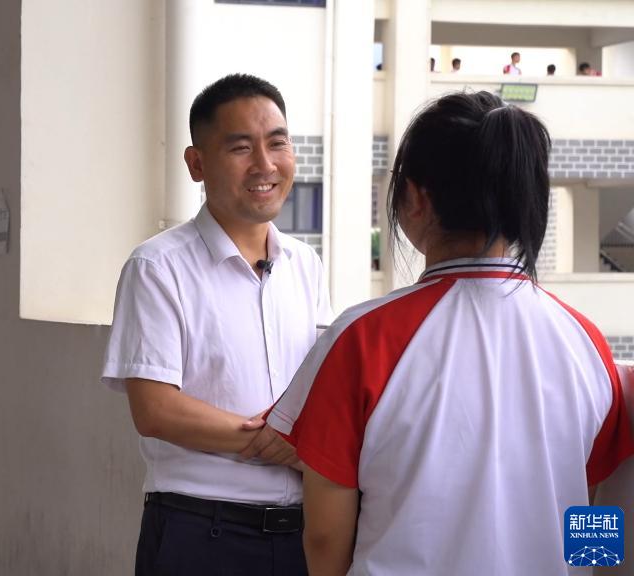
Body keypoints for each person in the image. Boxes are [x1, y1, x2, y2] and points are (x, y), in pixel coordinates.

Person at [266, 91, 634, 575]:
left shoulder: (361, 339)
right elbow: (593, 503)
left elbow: (325, 534)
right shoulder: (586, 343)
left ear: (416, 198)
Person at [102, 73, 333, 575]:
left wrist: (304, 443)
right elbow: (155, 409)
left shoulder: (305, 265)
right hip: (200, 532)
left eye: (277, 143)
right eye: (241, 148)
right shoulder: (158, 266)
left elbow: (321, 388)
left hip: (302, 535)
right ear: (196, 164)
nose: (265, 165)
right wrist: (284, 442)